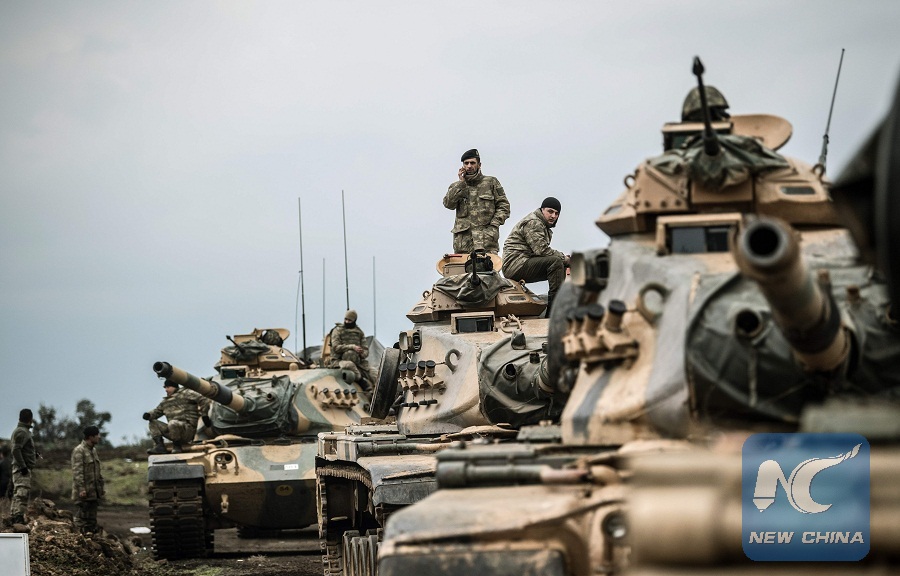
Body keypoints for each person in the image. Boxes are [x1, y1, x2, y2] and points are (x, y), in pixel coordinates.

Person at [501, 197, 569, 312]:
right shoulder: (534, 222)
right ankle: (554, 312)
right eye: (550, 211)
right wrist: (565, 258)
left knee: (560, 264)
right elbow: (541, 250)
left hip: (523, 262)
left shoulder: (542, 224)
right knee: (556, 262)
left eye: (556, 213)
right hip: (516, 265)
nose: (553, 216)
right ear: (542, 210)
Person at [443, 148, 510, 254]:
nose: (469, 166)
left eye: (472, 163)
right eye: (466, 163)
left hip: (486, 241)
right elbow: (448, 204)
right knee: (462, 265)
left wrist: (494, 225)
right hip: (463, 243)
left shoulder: (491, 182)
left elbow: (504, 206)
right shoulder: (456, 186)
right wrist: (461, 184)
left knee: (488, 264)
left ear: (479, 165)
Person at [143, 380, 208, 455]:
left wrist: (204, 415)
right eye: (165, 387)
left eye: (168, 387)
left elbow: (203, 400)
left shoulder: (186, 394)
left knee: (173, 423)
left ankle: (177, 446)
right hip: (173, 431)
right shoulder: (166, 402)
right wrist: (149, 415)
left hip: (188, 430)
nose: (166, 390)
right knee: (153, 422)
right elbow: (157, 411)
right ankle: (160, 446)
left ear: (174, 387)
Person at [328, 309, 374, 389]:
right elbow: (336, 347)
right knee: (349, 364)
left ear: (354, 320)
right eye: (346, 319)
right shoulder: (337, 330)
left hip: (358, 362)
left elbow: (366, 351)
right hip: (338, 361)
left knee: (374, 373)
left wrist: (361, 352)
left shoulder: (359, 332)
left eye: (349, 320)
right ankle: (362, 382)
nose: (347, 321)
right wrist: (352, 347)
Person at [71, 425, 104, 534]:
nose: (99, 437)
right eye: (97, 435)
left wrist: (100, 488)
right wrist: (81, 489)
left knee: (91, 521)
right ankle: (76, 538)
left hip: (93, 493)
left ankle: (90, 540)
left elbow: (97, 471)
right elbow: (77, 472)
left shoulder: (93, 450)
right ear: (91, 437)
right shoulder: (79, 451)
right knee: (81, 519)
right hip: (84, 494)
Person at [8, 408, 36, 525]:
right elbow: (16, 450)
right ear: (30, 419)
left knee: (18, 494)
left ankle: (14, 517)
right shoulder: (22, 432)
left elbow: (20, 449)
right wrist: (23, 466)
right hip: (21, 470)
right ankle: (18, 518)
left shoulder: (21, 431)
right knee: (22, 494)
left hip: (20, 468)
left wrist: (32, 454)